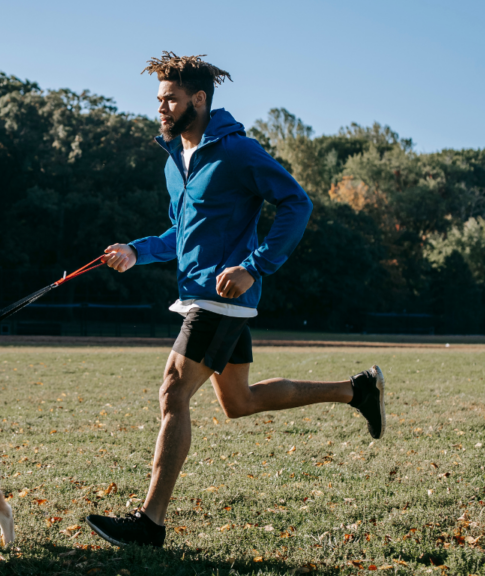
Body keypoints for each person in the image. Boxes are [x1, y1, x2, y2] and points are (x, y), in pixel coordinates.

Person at [85, 52, 386, 548]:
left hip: (219, 298)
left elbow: (297, 201)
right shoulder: (175, 160)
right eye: (159, 100)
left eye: (171, 100)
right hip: (200, 294)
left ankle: (149, 523)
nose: (161, 109)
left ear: (198, 100)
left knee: (173, 392)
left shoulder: (237, 152)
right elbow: (181, 234)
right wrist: (135, 252)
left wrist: (255, 266)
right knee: (238, 401)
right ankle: (357, 390)